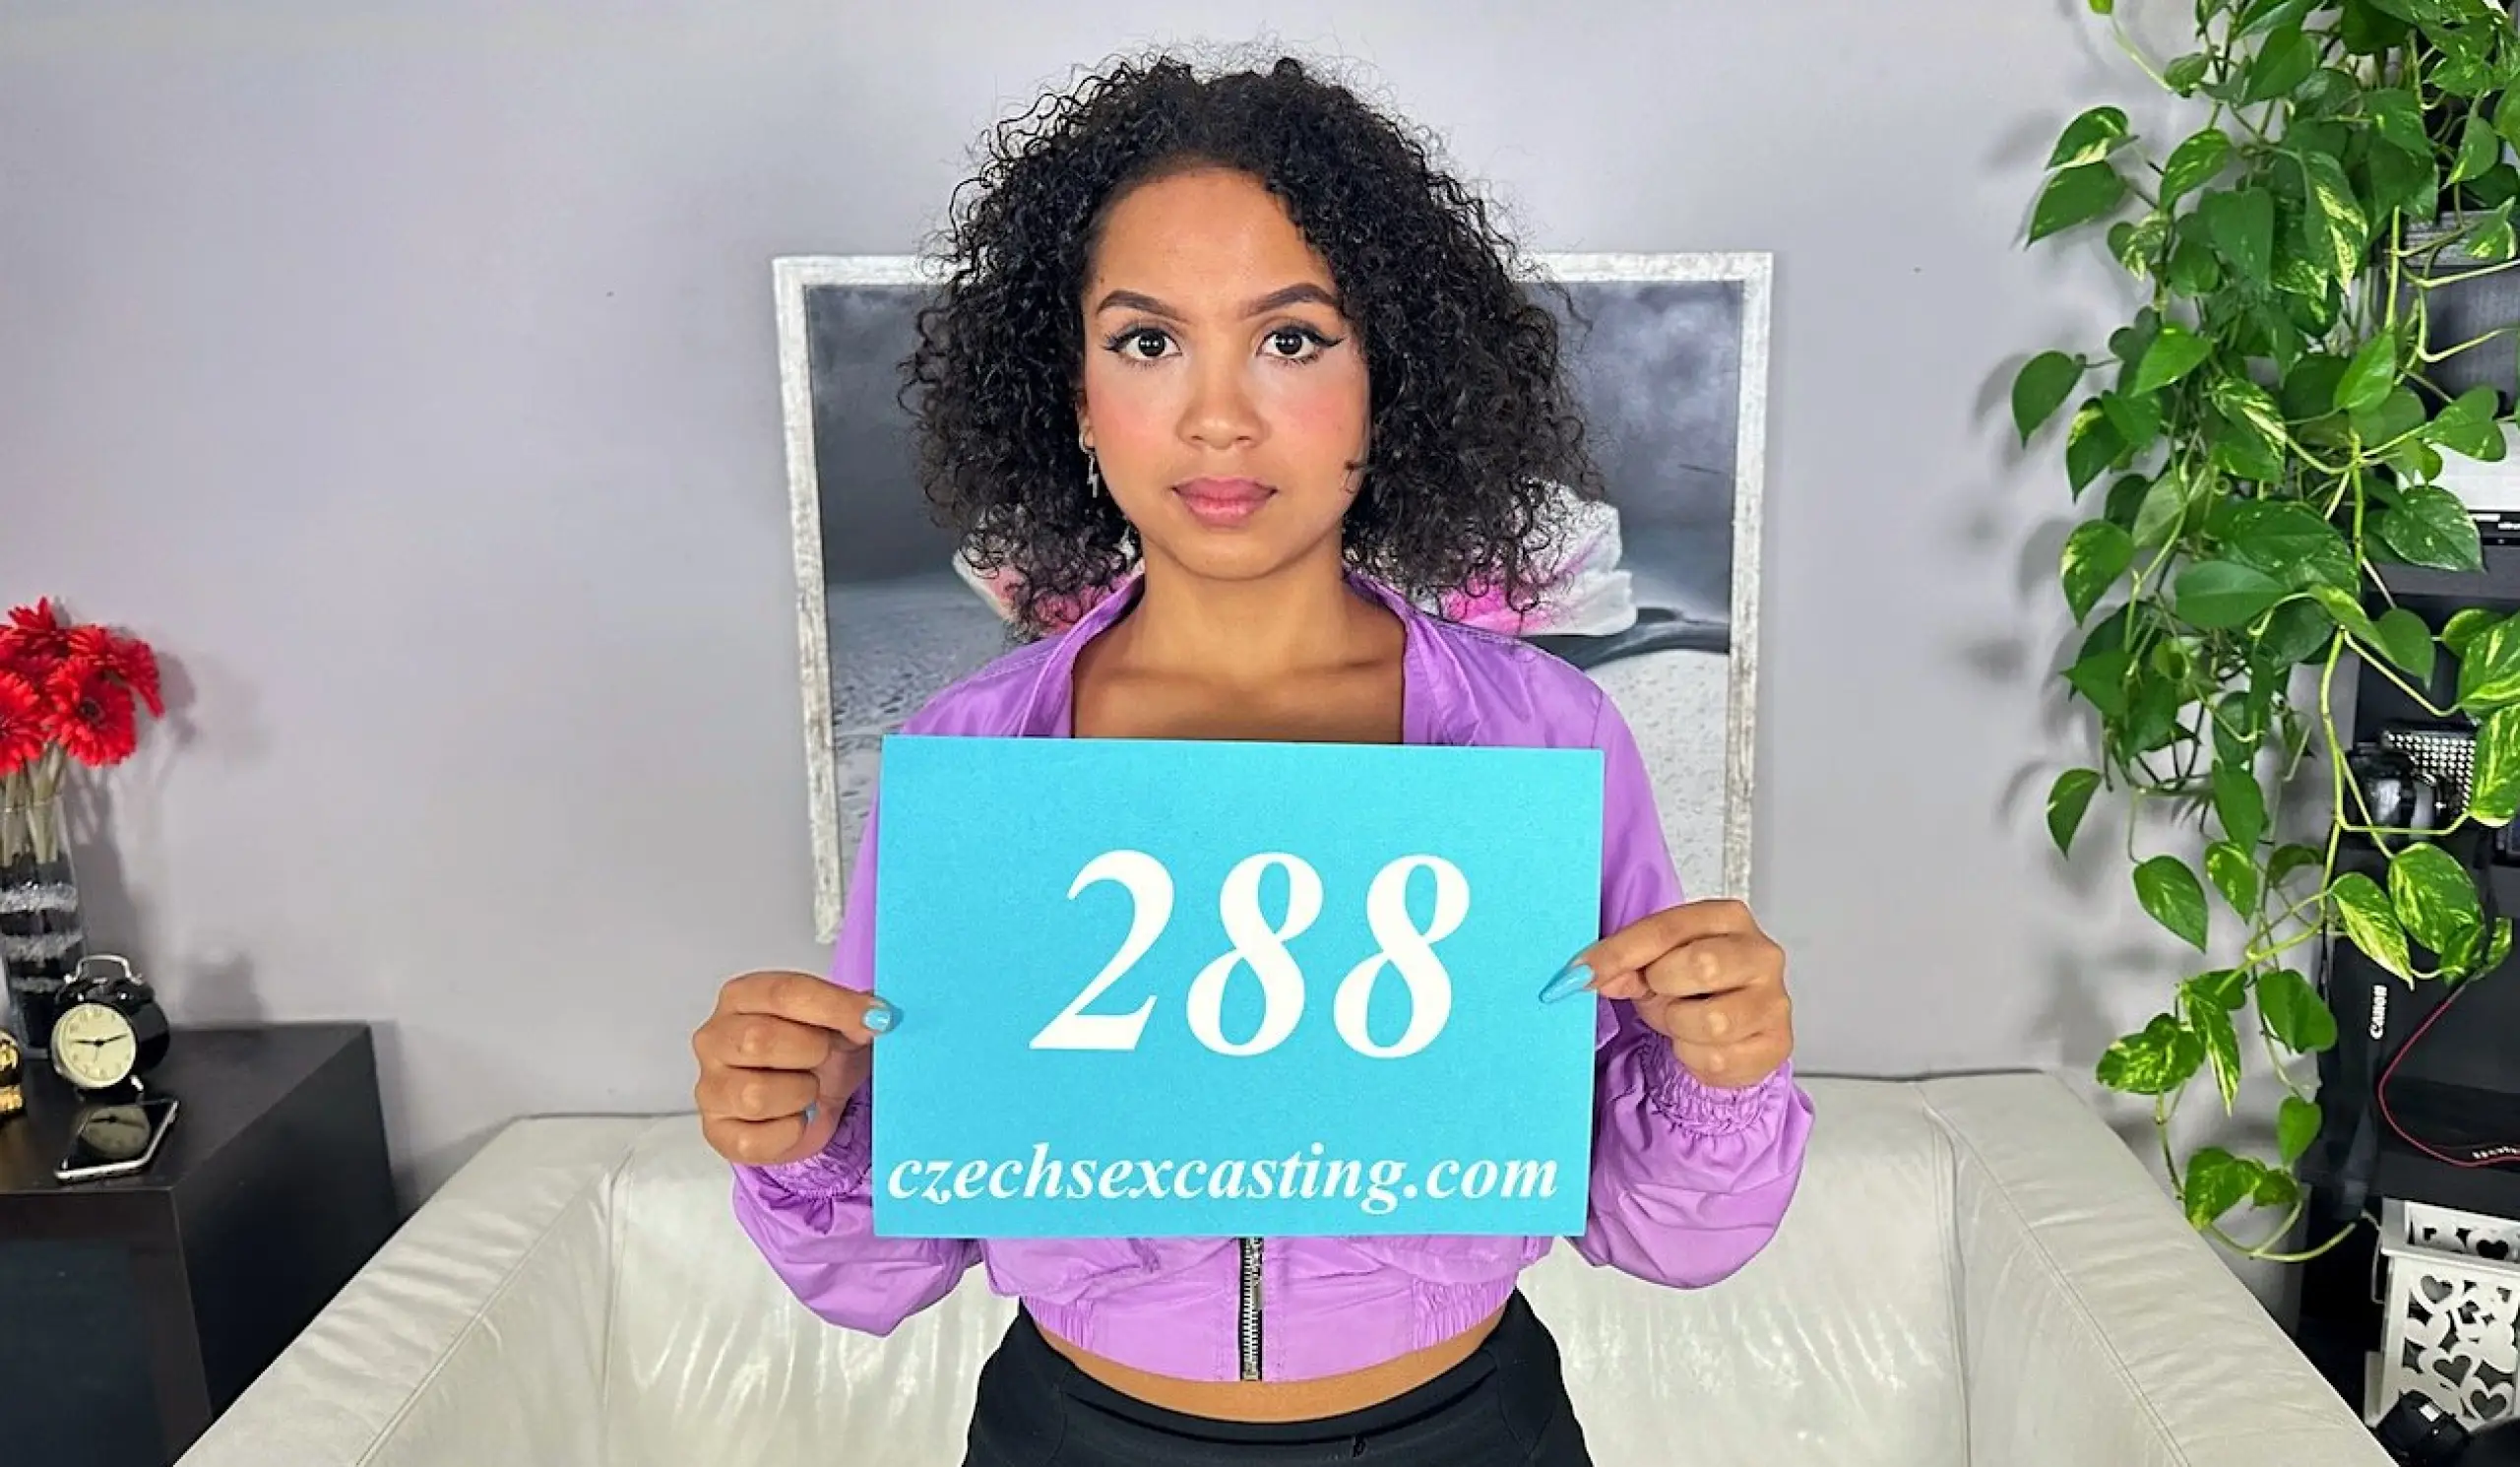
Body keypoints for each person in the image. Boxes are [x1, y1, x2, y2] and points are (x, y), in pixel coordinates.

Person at [692, 51, 1813, 1466]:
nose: (1217, 416)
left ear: (1387, 382)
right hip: (1069, 1436)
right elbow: (883, 1266)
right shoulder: (971, 758)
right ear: (1074, 394)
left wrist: (1722, 1067)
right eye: (1146, 342)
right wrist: (801, 1127)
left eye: (1290, 338)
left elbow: (1670, 1234)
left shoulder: (1544, 733)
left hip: (1466, 1432)